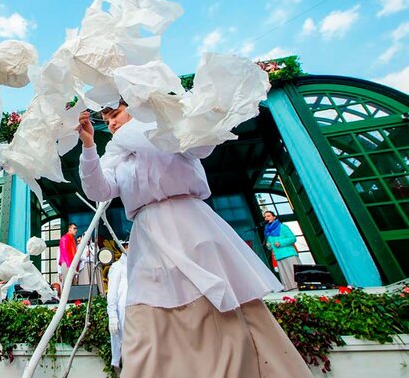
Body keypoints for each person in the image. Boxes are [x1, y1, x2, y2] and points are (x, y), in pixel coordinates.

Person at [77, 101, 311, 378]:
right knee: (144, 316)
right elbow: (99, 190)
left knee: (215, 313)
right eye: (106, 119)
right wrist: (89, 146)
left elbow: (202, 145)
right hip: (147, 235)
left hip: (189, 225)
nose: (111, 123)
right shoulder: (117, 156)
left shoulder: (168, 132)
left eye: (115, 114)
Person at [263, 210, 300, 291]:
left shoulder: (282, 227)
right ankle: (290, 291)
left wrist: (281, 243)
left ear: (274, 217)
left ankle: (299, 289)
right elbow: (270, 245)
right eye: (265, 217)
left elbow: (292, 238)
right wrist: (268, 245)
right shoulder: (268, 231)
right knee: (284, 275)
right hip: (278, 255)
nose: (266, 218)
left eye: (268, 216)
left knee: (295, 274)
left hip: (288, 253)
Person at [106, 242, 128, 372]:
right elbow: (112, 294)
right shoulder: (117, 267)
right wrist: (113, 316)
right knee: (121, 347)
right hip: (122, 311)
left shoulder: (139, 265)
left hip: (137, 312)